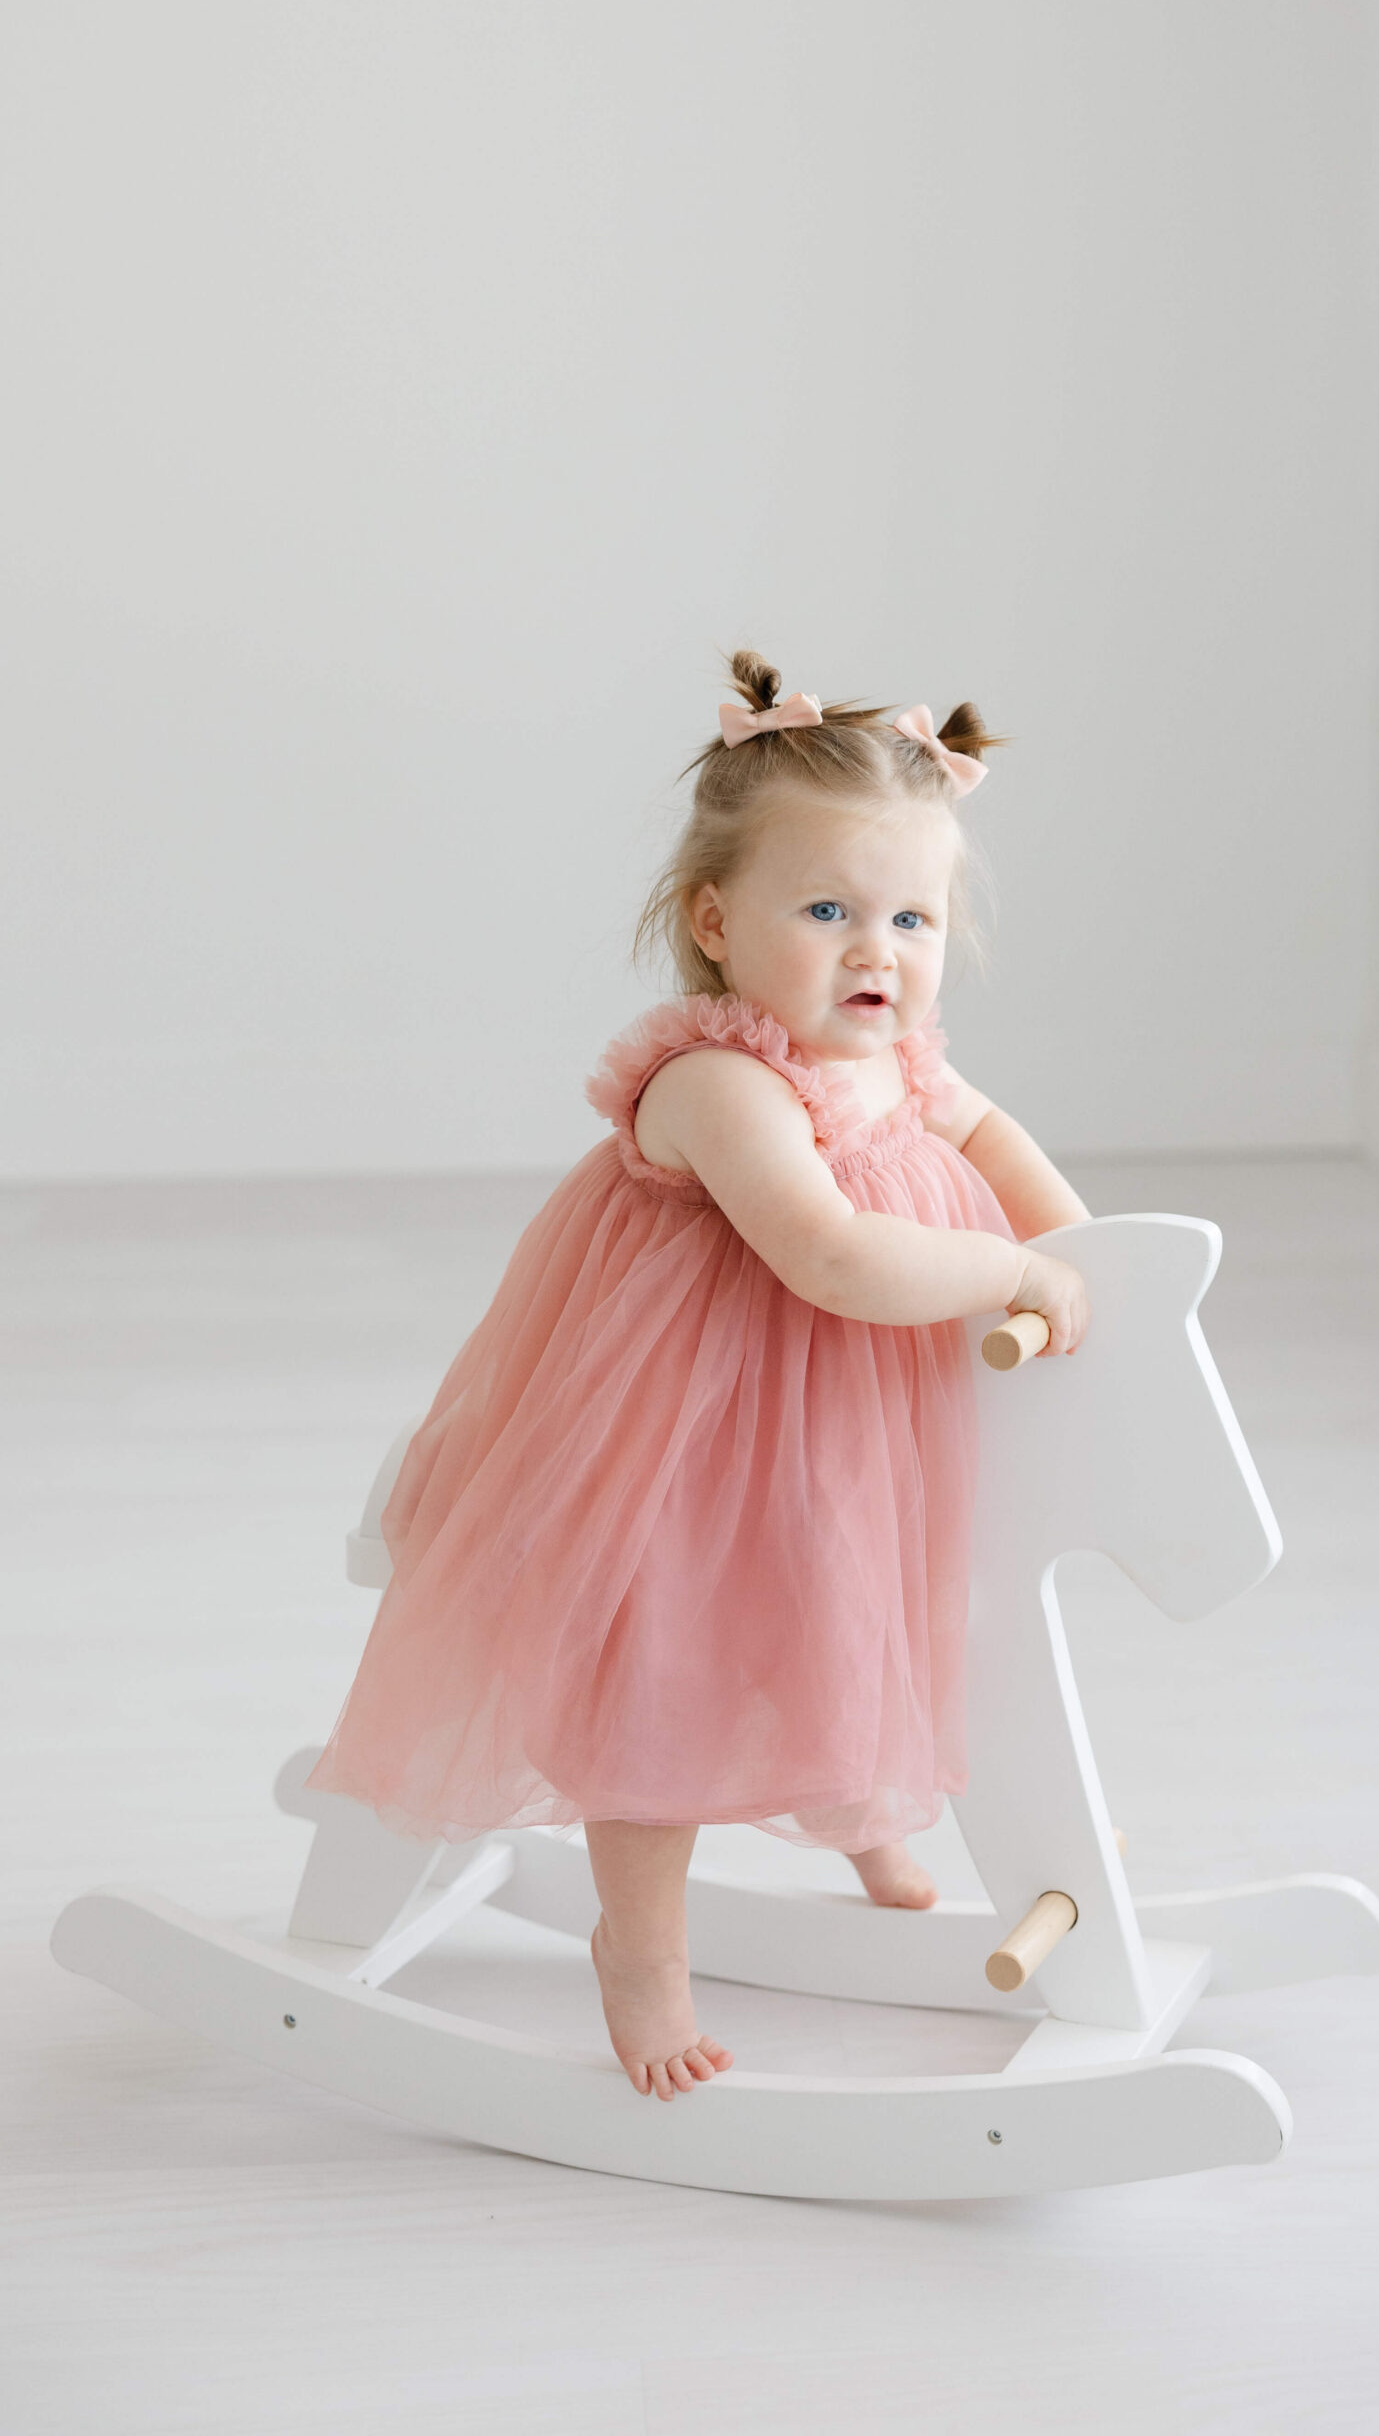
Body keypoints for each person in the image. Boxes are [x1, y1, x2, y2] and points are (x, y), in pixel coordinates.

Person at [305, 652, 1091, 2100]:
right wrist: (1010, 1277)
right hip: (682, 1432)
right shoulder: (720, 1082)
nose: (881, 951)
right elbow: (832, 1257)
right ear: (717, 923)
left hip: (844, 1423)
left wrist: (1096, 1260)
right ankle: (641, 1950)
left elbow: (999, 1147)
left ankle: (865, 1808)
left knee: (859, 1593)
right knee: (659, 1669)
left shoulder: (902, 1057)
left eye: (913, 917)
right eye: (831, 910)